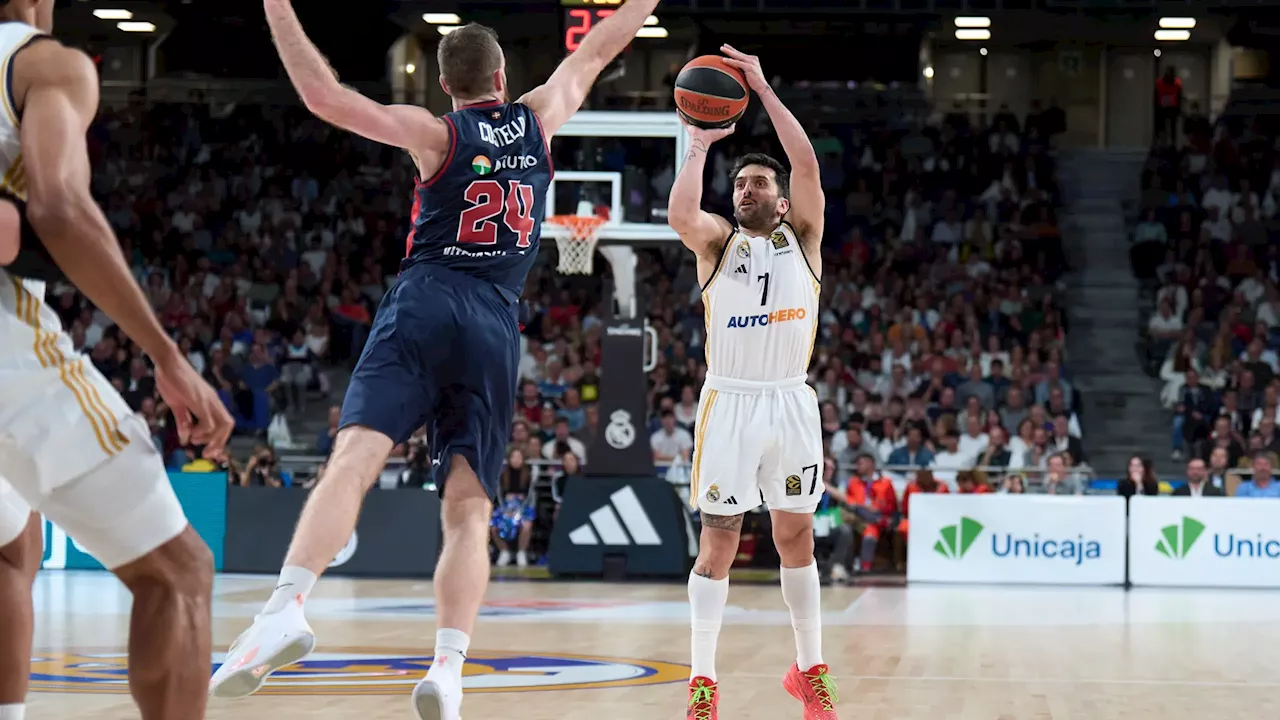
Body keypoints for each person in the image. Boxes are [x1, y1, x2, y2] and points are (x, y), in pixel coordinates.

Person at [208, 2, 663, 719]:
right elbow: (596, 52)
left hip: (427, 298)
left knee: (354, 460)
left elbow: (327, 98)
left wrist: (277, 9)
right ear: (502, 76)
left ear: (445, 85)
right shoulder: (539, 118)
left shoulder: (436, 135)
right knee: (467, 511)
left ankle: (283, 607)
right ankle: (447, 668)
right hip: (494, 320)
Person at [0, 2, 234, 718]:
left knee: (13, 547)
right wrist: (165, 354)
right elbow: (57, 210)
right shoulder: (45, 62)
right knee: (179, 572)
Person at [667, 44, 837, 720]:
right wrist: (699, 144)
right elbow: (682, 214)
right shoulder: (716, 244)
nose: (747, 191)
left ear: (783, 198)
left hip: (791, 401)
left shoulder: (805, 236)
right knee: (722, 540)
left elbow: (807, 164)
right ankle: (703, 683)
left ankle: (809, 670)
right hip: (731, 402)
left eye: (759, 184)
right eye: (740, 185)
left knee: (797, 537)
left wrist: (763, 88)